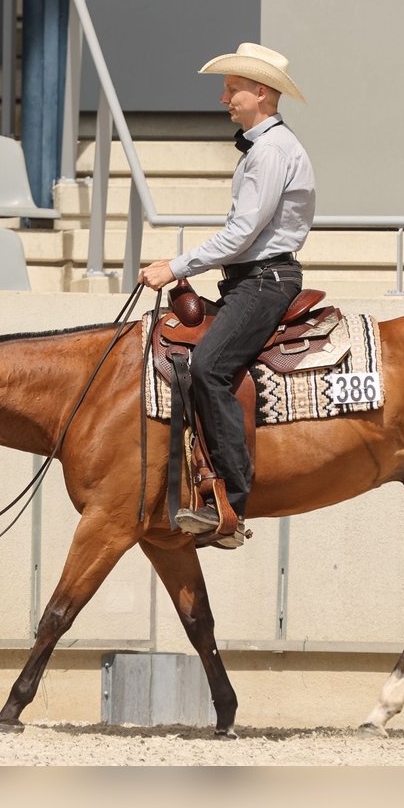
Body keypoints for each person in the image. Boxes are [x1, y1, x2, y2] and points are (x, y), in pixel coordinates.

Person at [138, 42, 316, 549]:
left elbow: (240, 236)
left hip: (264, 281)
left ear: (260, 93)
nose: (224, 99)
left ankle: (229, 501)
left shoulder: (272, 152)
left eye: (231, 89)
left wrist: (171, 267)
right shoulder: (267, 149)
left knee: (208, 369)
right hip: (251, 279)